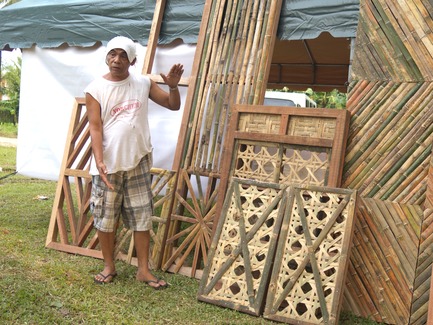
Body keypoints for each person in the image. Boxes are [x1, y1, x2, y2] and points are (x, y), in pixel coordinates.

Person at [85, 36, 184, 288]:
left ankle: (143, 270)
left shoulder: (143, 83)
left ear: (133, 60)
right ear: (107, 57)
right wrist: (99, 160)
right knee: (105, 217)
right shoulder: (95, 89)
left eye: (122, 55)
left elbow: (172, 106)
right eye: (112, 54)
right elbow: (95, 128)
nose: (116, 60)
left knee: (142, 215)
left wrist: (173, 87)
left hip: (138, 159)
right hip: (107, 163)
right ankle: (109, 266)